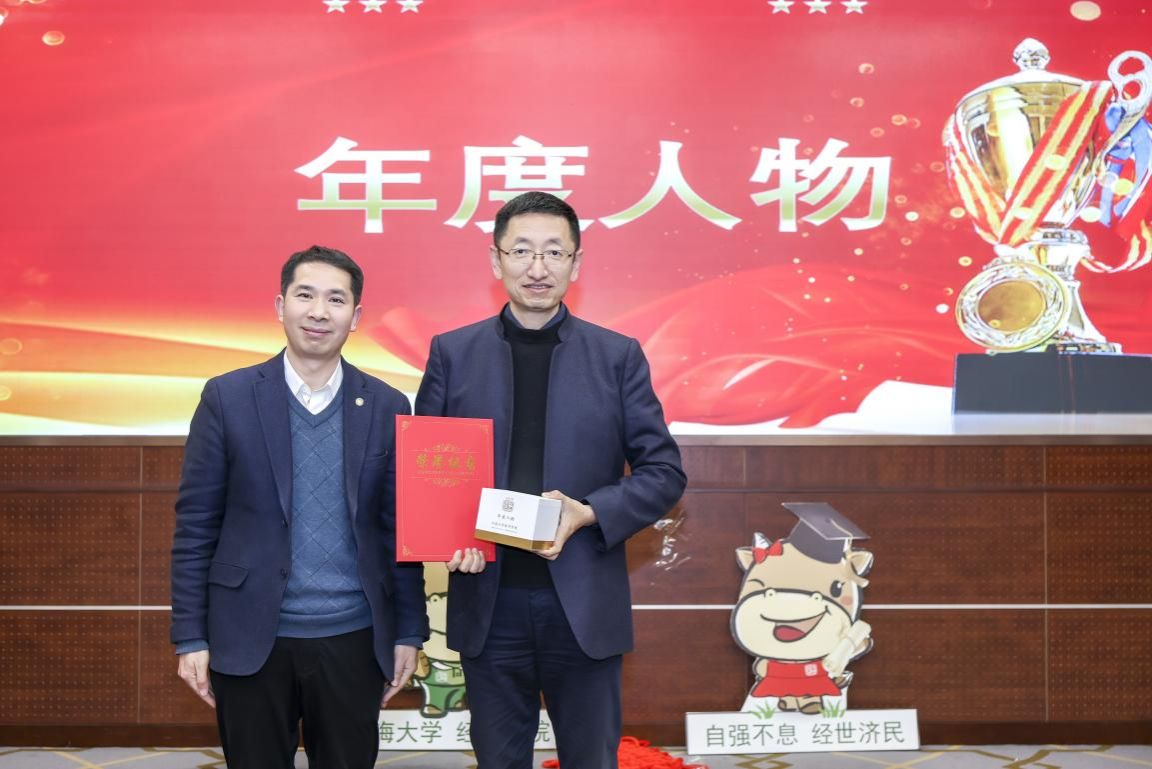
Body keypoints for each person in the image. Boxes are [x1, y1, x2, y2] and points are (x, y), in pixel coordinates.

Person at [416, 191, 687, 769]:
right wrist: (445, 538)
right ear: (496, 261)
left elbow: (664, 473)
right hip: (488, 602)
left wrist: (588, 511)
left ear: (576, 263)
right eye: (521, 251)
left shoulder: (616, 357)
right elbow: (425, 473)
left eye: (554, 252)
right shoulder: (453, 354)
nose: (537, 267)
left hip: (583, 601)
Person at [170, 245, 428, 769]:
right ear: (279, 305)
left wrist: (408, 632)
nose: (319, 312)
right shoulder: (228, 397)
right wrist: (190, 635)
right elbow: (196, 526)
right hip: (250, 633)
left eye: (336, 299)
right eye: (305, 295)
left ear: (356, 316)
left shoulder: (387, 405)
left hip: (353, 636)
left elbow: (398, 530)